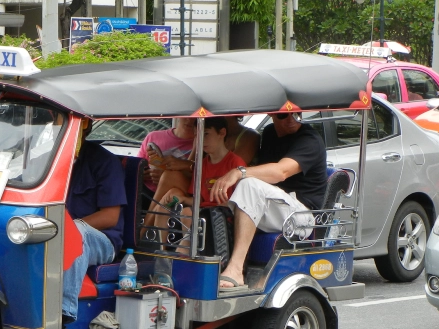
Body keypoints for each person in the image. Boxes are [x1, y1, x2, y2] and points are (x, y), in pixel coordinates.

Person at [209, 112, 327, 290]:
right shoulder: (270, 133)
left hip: (301, 215)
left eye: (297, 114)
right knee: (216, 204)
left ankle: (236, 268)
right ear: (272, 114)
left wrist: (238, 172)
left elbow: (281, 172)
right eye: (283, 115)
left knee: (248, 184)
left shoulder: (310, 139)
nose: (291, 119)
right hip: (274, 206)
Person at [63, 119, 127, 323]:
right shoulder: (47, 160)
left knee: (76, 234)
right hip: (56, 233)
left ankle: (64, 313)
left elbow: (110, 217)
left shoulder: (105, 162)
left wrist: (70, 227)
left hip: (102, 241)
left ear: (84, 127)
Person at [147, 117, 246, 246]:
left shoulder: (235, 164)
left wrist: (185, 200)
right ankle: (160, 251)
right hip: (203, 212)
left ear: (222, 133)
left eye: (206, 134)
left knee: (187, 212)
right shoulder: (202, 164)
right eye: (197, 135)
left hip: (224, 216)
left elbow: (239, 204)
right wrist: (181, 198)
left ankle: (187, 250)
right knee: (166, 204)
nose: (201, 140)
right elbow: (199, 199)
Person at [137, 117, 196, 192]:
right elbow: (137, 166)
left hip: (177, 196)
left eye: (195, 118)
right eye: (187, 115)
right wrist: (142, 173)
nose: (189, 120)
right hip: (145, 192)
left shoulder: (205, 145)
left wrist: (165, 178)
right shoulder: (153, 136)